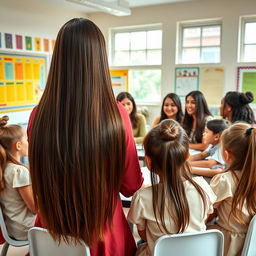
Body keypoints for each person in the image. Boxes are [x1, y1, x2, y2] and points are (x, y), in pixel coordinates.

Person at [28, 18, 143, 256]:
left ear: (58, 60)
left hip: (51, 235)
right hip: (103, 236)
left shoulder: (38, 116)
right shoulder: (116, 115)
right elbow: (131, 186)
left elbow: (38, 181)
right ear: (99, 60)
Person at [128, 119, 216, 256]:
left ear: (148, 161)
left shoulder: (142, 198)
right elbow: (205, 218)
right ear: (187, 156)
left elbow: (145, 235)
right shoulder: (203, 187)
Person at [209, 123, 256, 256]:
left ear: (226, 154)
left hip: (227, 245)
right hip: (251, 244)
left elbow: (205, 212)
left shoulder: (225, 180)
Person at [0, 116, 36, 240]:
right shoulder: (19, 171)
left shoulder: (4, 169)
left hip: (13, 227)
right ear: (18, 145)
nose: (29, 142)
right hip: (26, 229)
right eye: (26, 139)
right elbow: (35, 208)